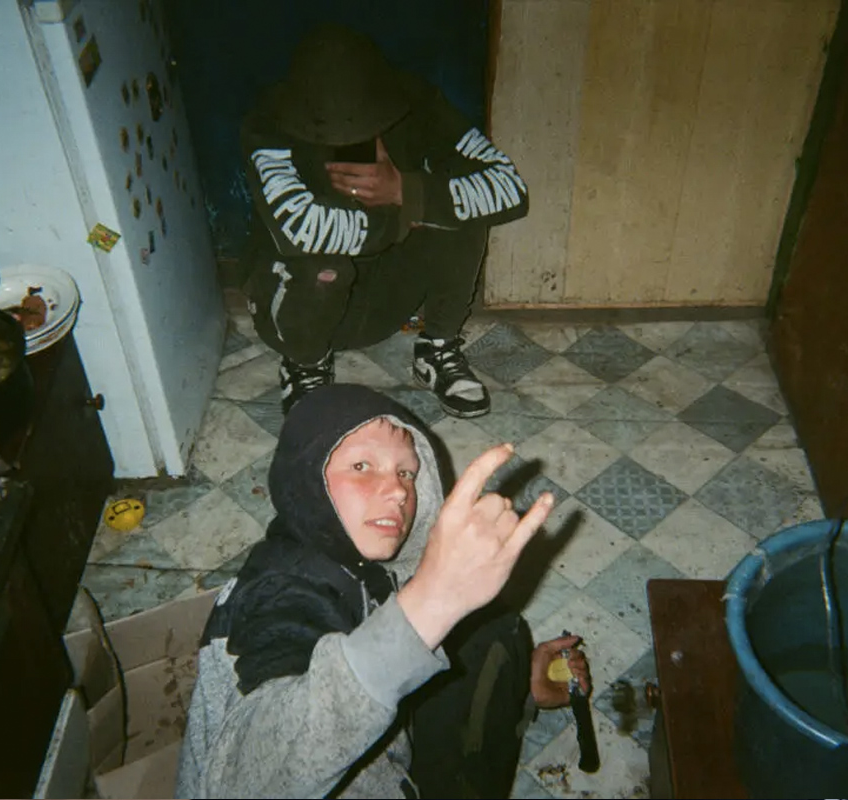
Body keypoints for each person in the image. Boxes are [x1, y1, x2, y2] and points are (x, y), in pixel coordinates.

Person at [175, 384, 590, 798]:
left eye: (406, 472)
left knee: (493, 634)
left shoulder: (356, 563)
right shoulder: (279, 594)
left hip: (390, 759)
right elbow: (246, 781)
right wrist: (433, 599)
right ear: (306, 476)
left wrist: (517, 691)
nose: (398, 490)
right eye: (361, 466)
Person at [240, 24, 530, 417]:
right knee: (319, 261)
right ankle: (305, 365)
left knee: (459, 205)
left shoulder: (416, 101)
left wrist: (405, 191)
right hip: (298, 306)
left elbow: (510, 188)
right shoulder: (267, 123)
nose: (348, 139)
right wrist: (401, 217)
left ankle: (438, 348)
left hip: (386, 300)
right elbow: (299, 228)